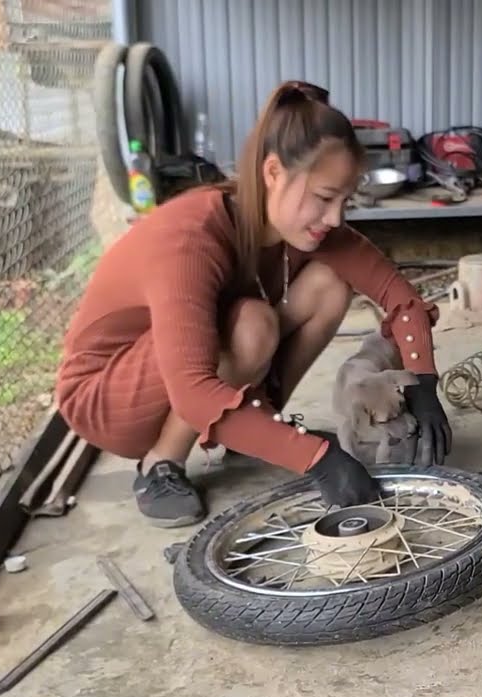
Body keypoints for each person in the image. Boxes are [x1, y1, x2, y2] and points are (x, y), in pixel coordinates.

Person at [55, 81, 451, 528]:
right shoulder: (190, 236)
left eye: (345, 201)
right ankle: (160, 466)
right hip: (107, 396)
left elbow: (401, 298)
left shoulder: (302, 226)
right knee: (251, 325)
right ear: (273, 173)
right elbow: (191, 386)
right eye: (323, 198)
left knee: (329, 283)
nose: (335, 218)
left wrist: (424, 384)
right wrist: (316, 457)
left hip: (173, 376)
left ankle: (256, 428)